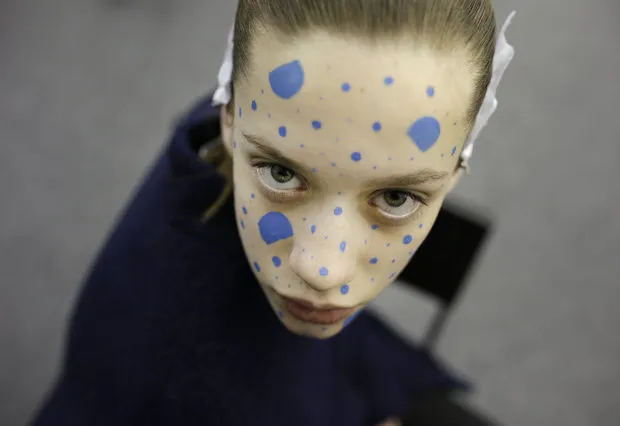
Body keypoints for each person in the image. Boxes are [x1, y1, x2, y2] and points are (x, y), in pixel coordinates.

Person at [32, 1, 514, 425]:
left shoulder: (264, 111)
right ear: (230, 117)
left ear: (458, 168)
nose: (322, 270)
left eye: (396, 198)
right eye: (280, 173)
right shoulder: (186, 392)